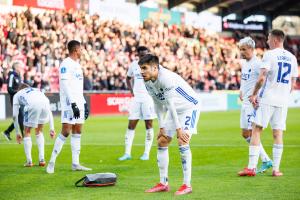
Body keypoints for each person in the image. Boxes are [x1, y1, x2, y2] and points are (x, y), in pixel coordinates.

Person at [238, 29, 298, 177]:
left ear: (276, 40)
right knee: (278, 133)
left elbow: (261, 78)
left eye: (269, 39)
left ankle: (252, 168)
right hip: (283, 101)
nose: (267, 41)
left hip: (267, 99)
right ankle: (276, 170)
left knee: (256, 130)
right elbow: (293, 84)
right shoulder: (292, 57)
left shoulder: (269, 55)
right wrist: (282, 94)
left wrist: (253, 95)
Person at [139, 54, 201, 195]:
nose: (141, 72)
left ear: (155, 68)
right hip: (173, 110)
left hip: (189, 107)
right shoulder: (147, 81)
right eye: (141, 68)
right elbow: (157, 103)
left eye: (144, 68)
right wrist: (161, 126)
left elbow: (170, 104)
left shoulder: (166, 78)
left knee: (182, 141)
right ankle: (163, 183)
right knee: (162, 141)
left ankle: (187, 185)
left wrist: (179, 129)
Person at [46, 40, 91, 174]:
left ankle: (75, 163)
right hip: (69, 103)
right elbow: (65, 86)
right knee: (66, 131)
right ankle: (52, 162)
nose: (82, 51)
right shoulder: (66, 64)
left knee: (78, 130)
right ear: (76, 50)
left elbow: (77, 87)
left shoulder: (77, 65)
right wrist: (73, 103)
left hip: (79, 101)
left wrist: (83, 102)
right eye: (81, 49)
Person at [238, 37, 272, 173]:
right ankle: (266, 160)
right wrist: (241, 90)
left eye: (244, 49)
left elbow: (264, 80)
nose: (241, 52)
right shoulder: (245, 63)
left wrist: (256, 96)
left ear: (252, 49)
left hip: (252, 103)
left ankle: (258, 163)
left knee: (252, 133)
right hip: (245, 102)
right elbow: (245, 79)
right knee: (245, 133)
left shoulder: (258, 63)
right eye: (240, 49)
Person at [118, 46, 156, 161]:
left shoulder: (152, 65)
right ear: (138, 55)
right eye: (142, 54)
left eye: (146, 54)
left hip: (148, 99)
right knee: (131, 125)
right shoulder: (134, 65)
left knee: (149, 125)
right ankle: (127, 153)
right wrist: (131, 91)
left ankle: (146, 153)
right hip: (136, 99)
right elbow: (128, 78)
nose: (144, 56)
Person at [13, 83, 55, 167]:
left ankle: (29, 161)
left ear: (19, 89)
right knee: (39, 131)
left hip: (32, 105)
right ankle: (42, 160)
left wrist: (17, 133)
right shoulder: (36, 90)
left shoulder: (17, 94)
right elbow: (49, 109)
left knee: (27, 131)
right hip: (46, 104)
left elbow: (14, 115)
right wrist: (52, 128)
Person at [2, 62, 24, 141]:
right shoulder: (12, 75)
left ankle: (7, 131)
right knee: (21, 116)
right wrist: (18, 92)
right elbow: (9, 89)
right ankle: (24, 136)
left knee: (20, 118)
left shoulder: (19, 76)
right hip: (14, 99)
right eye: (19, 66)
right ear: (16, 67)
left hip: (20, 99)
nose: (21, 67)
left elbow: (19, 87)